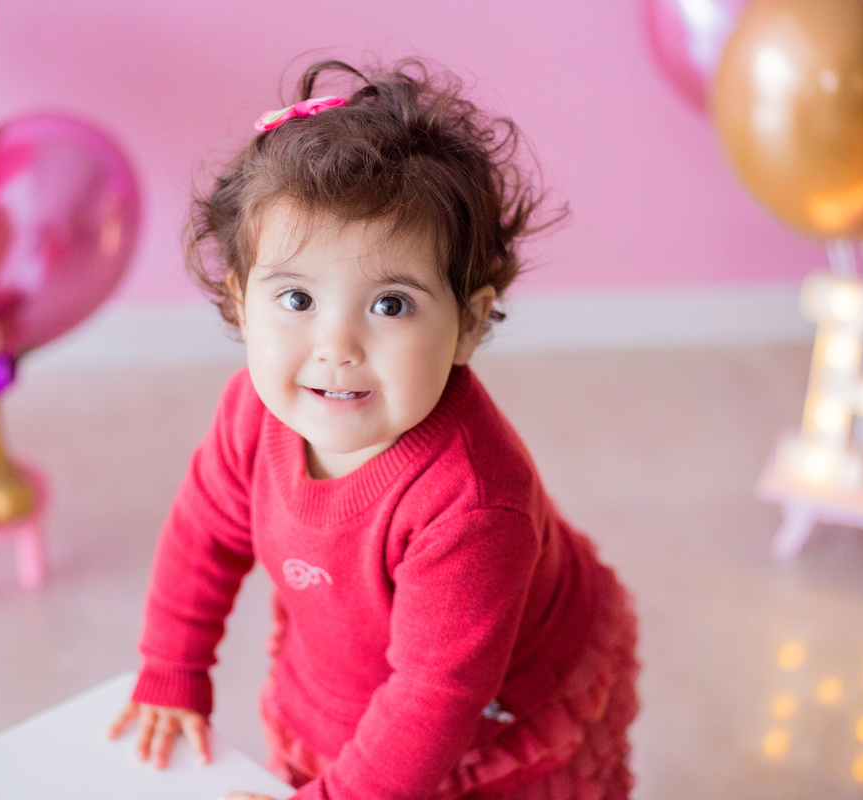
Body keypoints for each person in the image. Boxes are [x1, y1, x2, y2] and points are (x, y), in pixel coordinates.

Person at [107, 58, 639, 800]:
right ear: (239, 300)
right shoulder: (250, 413)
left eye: (390, 305)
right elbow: (204, 534)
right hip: (351, 665)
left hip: (492, 710)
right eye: (296, 298)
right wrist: (176, 666)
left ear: (468, 325)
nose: (337, 346)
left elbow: (432, 697)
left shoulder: (475, 505)